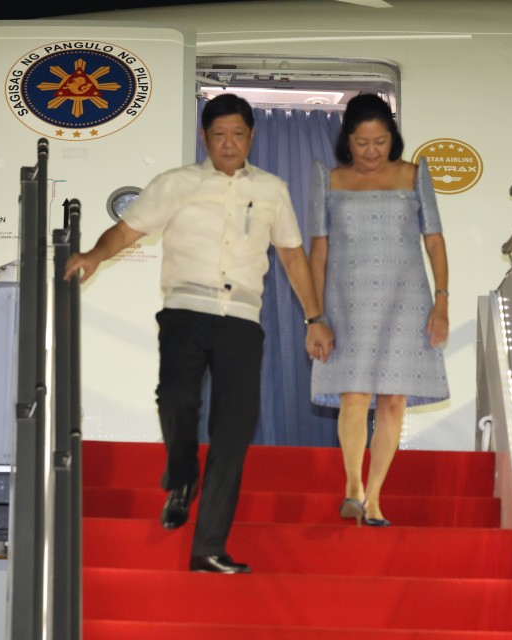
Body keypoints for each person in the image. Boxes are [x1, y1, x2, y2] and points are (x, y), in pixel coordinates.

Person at [64, 93, 334, 574]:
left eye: (238, 134)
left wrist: (315, 318)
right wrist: (93, 256)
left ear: (251, 136)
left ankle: (208, 547)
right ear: (204, 137)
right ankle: (183, 476)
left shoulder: (271, 189)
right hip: (185, 313)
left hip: (242, 322)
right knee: (176, 399)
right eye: (219, 134)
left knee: (234, 430)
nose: (229, 143)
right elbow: (126, 230)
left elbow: (293, 256)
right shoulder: (176, 183)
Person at [307, 94, 449, 527]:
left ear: (393, 138)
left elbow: (434, 241)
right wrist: (316, 317)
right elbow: (318, 252)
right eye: (362, 143)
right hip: (345, 303)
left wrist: (442, 300)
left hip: (406, 299)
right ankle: (353, 486)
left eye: (380, 142)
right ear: (347, 141)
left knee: (393, 399)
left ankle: (373, 499)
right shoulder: (328, 179)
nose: (372, 152)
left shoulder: (414, 175)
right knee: (353, 394)